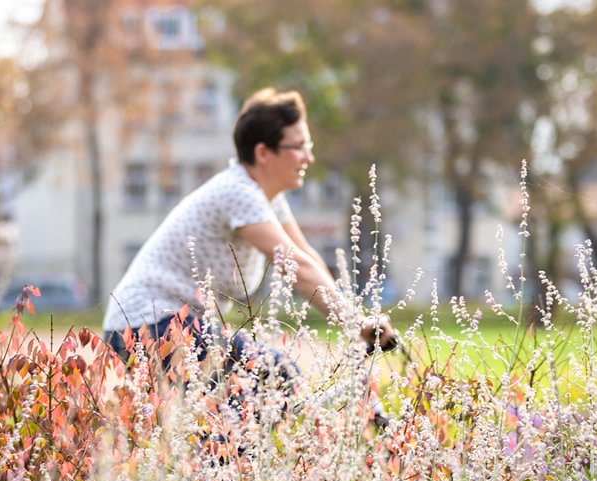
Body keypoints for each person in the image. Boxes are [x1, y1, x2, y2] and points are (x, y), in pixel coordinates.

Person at [102, 87, 396, 395]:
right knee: (276, 377)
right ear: (263, 153)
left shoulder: (266, 198)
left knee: (249, 404)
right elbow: (294, 268)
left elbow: (305, 257)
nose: (309, 156)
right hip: (147, 325)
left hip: (161, 326)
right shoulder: (238, 193)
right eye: (299, 146)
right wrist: (358, 323)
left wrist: (356, 320)